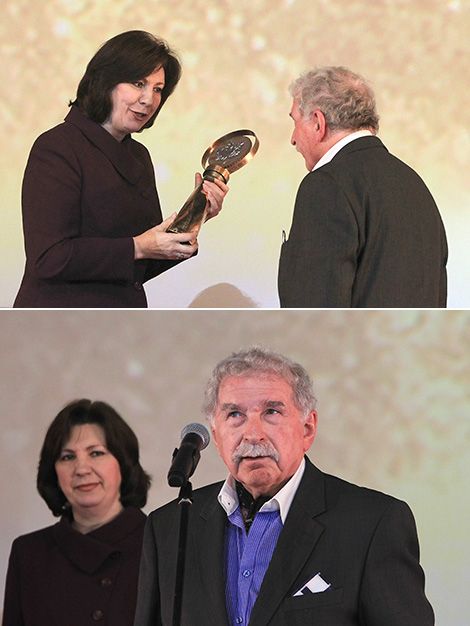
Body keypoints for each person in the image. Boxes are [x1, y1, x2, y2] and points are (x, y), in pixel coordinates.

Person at [134, 346, 434, 626]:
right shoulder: (169, 527)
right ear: (216, 432)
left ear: (308, 428)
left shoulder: (373, 523)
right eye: (235, 414)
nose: (253, 434)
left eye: (271, 412)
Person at [13, 30, 228, 308]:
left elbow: (139, 267)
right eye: (138, 83)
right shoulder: (57, 146)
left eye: (157, 89)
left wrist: (197, 214)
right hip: (61, 323)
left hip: (122, 322)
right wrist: (137, 247)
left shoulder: (138, 155)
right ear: (105, 82)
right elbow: (49, 258)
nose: (148, 99)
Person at [278, 66, 448, 308]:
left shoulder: (325, 185)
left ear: (318, 122)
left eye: (295, 121)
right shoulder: (415, 185)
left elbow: (313, 308)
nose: (293, 138)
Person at [2, 399, 151, 626]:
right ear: (54, 471)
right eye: (67, 457)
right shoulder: (29, 553)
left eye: (96, 453)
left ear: (123, 463)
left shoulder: (159, 544)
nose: (81, 469)